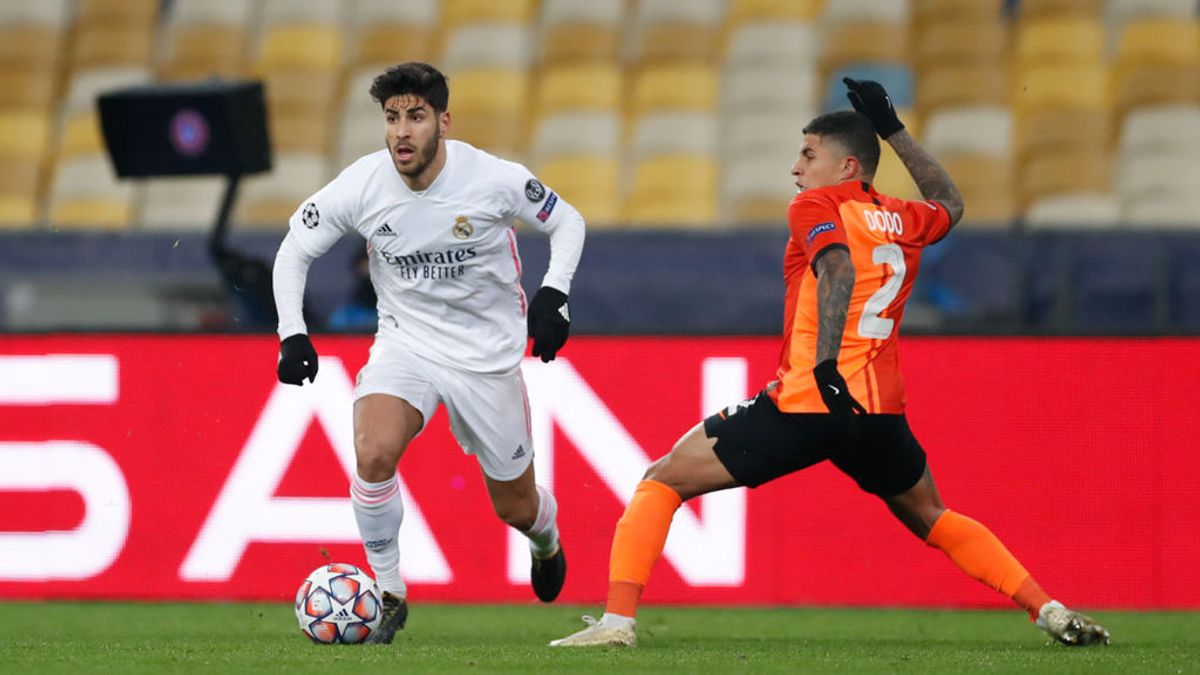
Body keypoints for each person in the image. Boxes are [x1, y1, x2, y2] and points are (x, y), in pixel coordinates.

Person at [550, 78, 1109, 648]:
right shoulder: (901, 216)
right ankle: (1049, 610)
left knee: (661, 480)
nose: (796, 168)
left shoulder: (815, 205)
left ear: (846, 168)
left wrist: (823, 367)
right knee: (933, 517)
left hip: (809, 401)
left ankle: (617, 624)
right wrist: (894, 129)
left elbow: (836, 269)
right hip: (879, 413)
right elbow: (952, 205)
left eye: (808, 155)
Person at [272, 62, 584, 645]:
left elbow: (567, 221)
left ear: (443, 121)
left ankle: (546, 539)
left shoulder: (491, 178)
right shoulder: (362, 185)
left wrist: (555, 293)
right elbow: (293, 252)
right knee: (373, 452)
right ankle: (389, 592)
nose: (402, 132)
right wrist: (293, 333)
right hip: (405, 344)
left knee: (515, 508)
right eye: (392, 118)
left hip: (486, 358)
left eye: (415, 117)